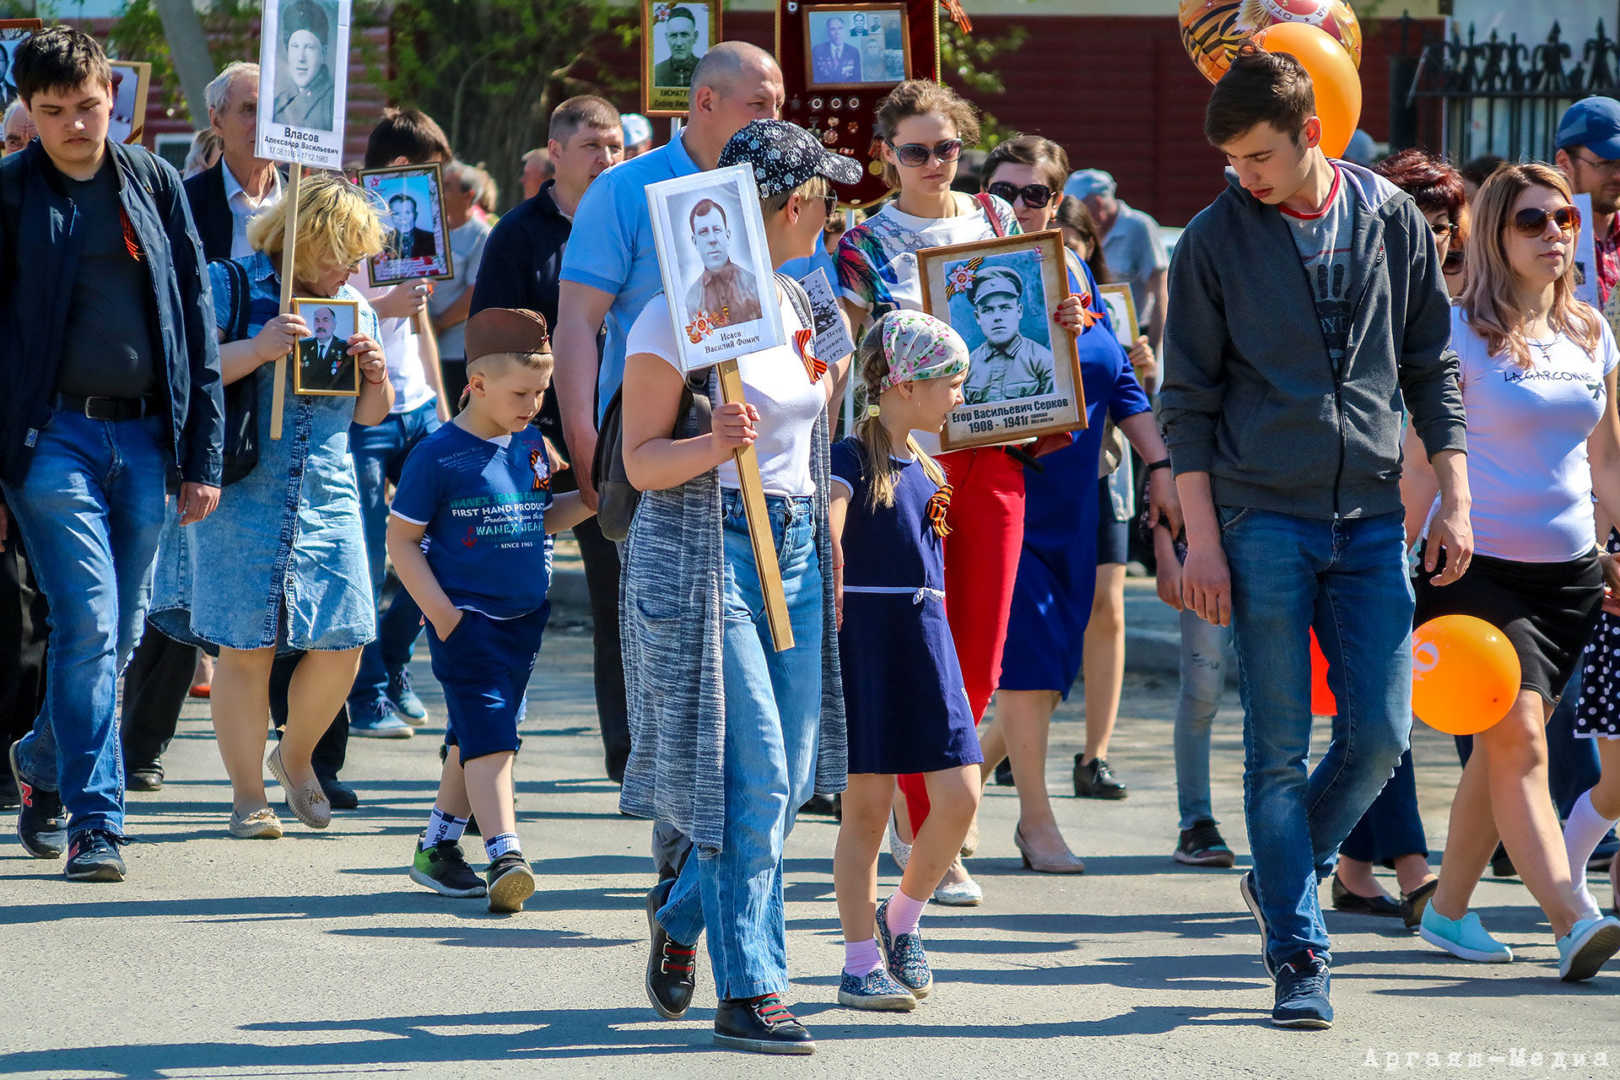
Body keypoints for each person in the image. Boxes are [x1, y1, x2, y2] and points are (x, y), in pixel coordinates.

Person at [1160, 45, 1472, 1028]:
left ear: (1311, 138)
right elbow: (1187, 406)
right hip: (1260, 518)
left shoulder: (1386, 217)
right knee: (1276, 751)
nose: (1243, 176)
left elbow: (1431, 365)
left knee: (1383, 735)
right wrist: (1200, 542)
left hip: (1374, 517)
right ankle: (1299, 949)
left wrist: (1454, 495)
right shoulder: (1211, 241)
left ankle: (1280, 866)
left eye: (1258, 156)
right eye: (1232, 160)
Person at [623, 118, 856, 1056]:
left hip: (796, 546)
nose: (833, 212)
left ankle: (683, 916)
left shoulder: (805, 300)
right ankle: (753, 987)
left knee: (791, 779)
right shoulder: (668, 317)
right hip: (704, 547)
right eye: (824, 196)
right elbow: (640, 463)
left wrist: (829, 543)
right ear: (793, 205)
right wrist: (711, 441)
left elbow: (817, 439)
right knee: (752, 774)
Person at [836, 86, 1097, 904]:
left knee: (977, 656)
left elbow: (1053, 309)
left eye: (944, 147)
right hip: (904, 464)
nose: (931, 163)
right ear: (886, 155)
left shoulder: (994, 215)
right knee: (916, 640)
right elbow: (848, 366)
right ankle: (928, 836)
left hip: (995, 457)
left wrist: (1068, 317)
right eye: (914, 150)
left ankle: (935, 818)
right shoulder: (861, 245)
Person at [554, 42, 783, 879]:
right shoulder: (625, 191)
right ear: (707, 105)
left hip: (765, 473)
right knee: (675, 668)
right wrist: (586, 441)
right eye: (761, 103)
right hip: (657, 459)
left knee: (756, 694)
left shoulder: (778, 195)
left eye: (779, 102)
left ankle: (715, 868)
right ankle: (677, 863)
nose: (774, 117)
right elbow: (578, 322)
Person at [0, 26, 223, 881]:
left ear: (113, 100)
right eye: (51, 111)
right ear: (27, 108)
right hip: (48, 436)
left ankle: (44, 761)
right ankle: (99, 824)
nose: (74, 125)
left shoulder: (156, 183)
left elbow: (195, 316)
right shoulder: (14, 195)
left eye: (88, 107)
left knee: (121, 628)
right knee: (88, 620)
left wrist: (200, 452)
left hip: (146, 435)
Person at [1411, 162, 1620, 982]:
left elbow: (1605, 456)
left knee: (1503, 750)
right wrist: (1390, 564)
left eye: (1565, 219)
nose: (1555, 235)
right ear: (1495, 235)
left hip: (1568, 576)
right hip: (1472, 568)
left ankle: (1448, 912)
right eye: (1532, 221)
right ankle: (1572, 918)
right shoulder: (1453, 330)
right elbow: (1419, 465)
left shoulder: (1591, 333)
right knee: (1519, 738)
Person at [149, 172, 390, 839]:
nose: (349, 266)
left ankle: (296, 756)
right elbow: (184, 372)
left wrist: (377, 377)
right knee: (245, 648)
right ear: (302, 238)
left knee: (345, 640)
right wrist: (257, 349)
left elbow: (371, 416)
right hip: (242, 489)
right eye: (339, 248)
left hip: (327, 492)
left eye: (356, 253)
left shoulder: (352, 307)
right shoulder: (232, 284)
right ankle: (246, 796)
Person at [392, 308, 593, 911]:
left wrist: (590, 501)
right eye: (520, 392)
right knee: (494, 738)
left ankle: (437, 849)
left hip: (524, 620)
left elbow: (541, 517)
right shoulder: (437, 455)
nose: (532, 404)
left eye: (540, 392)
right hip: (467, 620)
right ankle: (505, 851)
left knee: (473, 735)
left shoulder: (533, 444)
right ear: (476, 384)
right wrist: (444, 616)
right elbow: (402, 542)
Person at [1329, 148, 1470, 925]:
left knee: (1398, 704)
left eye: (1444, 221)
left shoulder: (1471, 304)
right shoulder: (1358, 297)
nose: (1432, 235)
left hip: (1449, 525)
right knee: (1385, 708)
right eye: (1414, 217)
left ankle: (1353, 866)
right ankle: (1413, 862)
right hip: (1372, 521)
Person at [471, 94, 627, 778]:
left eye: (616, 145)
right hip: (536, 441)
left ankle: (632, 757)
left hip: (624, 434)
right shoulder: (518, 234)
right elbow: (492, 343)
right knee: (510, 599)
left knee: (623, 597)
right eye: (592, 145)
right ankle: (481, 754)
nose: (607, 158)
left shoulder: (634, 220)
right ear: (555, 153)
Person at [829, 311, 981, 1010]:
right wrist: (830, 558)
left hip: (927, 637)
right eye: (951, 382)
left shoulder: (926, 463)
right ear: (907, 385)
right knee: (866, 809)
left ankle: (902, 922)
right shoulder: (850, 456)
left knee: (960, 796)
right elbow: (830, 522)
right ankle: (859, 963)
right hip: (869, 639)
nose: (958, 397)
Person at [1045, 188, 1159, 805]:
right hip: (1040, 478)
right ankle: (1011, 737)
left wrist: (1139, 363)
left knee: (1106, 609)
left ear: (1090, 249)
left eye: (1076, 243)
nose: (1065, 253)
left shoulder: (1106, 310)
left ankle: (1096, 752)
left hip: (1104, 472)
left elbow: (1134, 396)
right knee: (1042, 621)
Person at [346, 108, 454, 737]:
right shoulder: (349, 223)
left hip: (416, 405)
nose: (436, 185)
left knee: (436, 544)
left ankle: (391, 664)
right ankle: (363, 694)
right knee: (365, 553)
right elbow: (322, 297)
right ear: (397, 169)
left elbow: (420, 330)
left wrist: (442, 406)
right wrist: (379, 302)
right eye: (429, 170)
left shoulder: (419, 233)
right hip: (365, 410)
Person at [1065, 167, 1169, 357]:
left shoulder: (1139, 227)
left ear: (1096, 203)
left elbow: (1161, 293)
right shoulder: (1074, 231)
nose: (1072, 212)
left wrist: (1153, 352)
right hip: (1086, 334)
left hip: (1133, 342)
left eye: (1078, 207)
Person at [428, 161, 492, 404]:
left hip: (454, 352)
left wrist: (438, 325)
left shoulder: (481, 235)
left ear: (469, 196)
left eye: (447, 187)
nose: (439, 192)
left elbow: (474, 293)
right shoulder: (432, 229)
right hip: (424, 343)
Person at [959, 266, 1053, 403]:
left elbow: (1057, 415)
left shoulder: (1043, 360)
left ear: (1019, 311)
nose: (997, 317)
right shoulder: (966, 366)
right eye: (987, 310)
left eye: (1005, 308)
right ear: (977, 317)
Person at [682, 197, 764, 325]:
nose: (712, 239)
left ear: (727, 236)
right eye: (703, 232)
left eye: (717, 230)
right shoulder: (691, 300)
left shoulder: (754, 285)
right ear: (695, 241)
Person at [271, 0, 334, 131]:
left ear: (323, 52)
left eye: (309, 47)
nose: (301, 58)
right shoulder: (278, 104)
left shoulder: (334, 104)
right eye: (295, 46)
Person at [298, 305, 353, 390]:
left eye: (325, 320)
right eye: (317, 320)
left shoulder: (346, 348)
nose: (320, 325)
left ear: (334, 324)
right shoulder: (302, 345)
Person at [654, 6, 703, 90]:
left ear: (695, 37)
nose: (679, 43)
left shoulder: (706, 70)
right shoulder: (656, 73)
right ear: (667, 38)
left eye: (684, 35)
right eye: (673, 35)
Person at [384, 194, 436, 260]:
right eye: (396, 213)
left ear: (415, 215)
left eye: (407, 212)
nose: (402, 218)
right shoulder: (382, 242)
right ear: (390, 216)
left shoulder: (432, 238)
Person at [811, 16, 860, 84]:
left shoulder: (853, 51)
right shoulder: (817, 50)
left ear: (844, 30)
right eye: (833, 29)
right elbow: (815, 78)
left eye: (840, 28)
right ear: (828, 32)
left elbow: (857, 79)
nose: (837, 33)